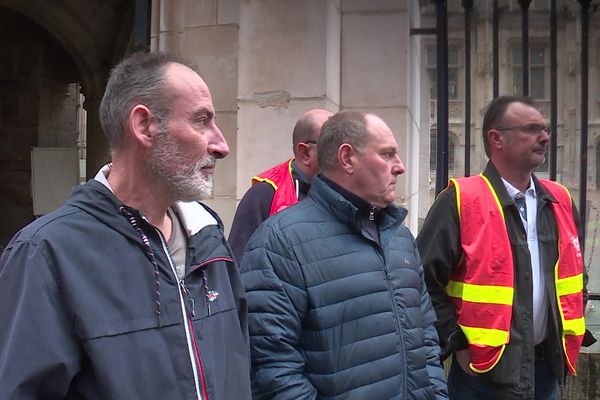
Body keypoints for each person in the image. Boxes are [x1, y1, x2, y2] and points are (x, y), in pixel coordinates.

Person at [0, 52, 252, 399]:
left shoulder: (208, 238)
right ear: (144, 125)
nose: (221, 145)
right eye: (201, 121)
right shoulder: (46, 253)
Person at [239, 111, 448, 399]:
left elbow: (426, 338)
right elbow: (273, 371)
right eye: (387, 155)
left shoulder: (400, 238)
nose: (400, 167)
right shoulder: (279, 242)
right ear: (347, 158)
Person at [417, 95, 595, 399]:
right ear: (496, 138)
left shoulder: (559, 199)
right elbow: (421, 279)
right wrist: (455, 342)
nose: (544, 137)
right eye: (531, 129)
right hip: (485, 372)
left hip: (546, 368)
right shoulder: (462, 199)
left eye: (545, 129)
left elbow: (575, 273)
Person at [228, 108, 333, 261]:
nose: (342, 156)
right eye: (332, 145)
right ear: (305, 153)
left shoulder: (346, 193)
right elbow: (239, 267)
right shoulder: (264, 195)